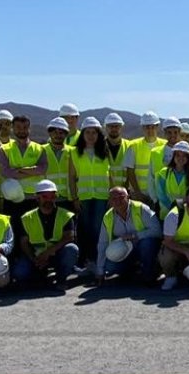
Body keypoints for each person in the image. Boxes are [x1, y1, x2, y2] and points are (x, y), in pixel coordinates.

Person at [14, 180, 78, 289]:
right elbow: (23, 243)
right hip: (36, 257)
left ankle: (61, 279)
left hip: (57, 255)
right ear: (37, 198)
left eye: (52, 197)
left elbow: (69, 237)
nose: (49, 200)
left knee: (72, 249)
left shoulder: (65, 215)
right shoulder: (27, 218)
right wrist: (35, 259)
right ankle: (39, 277)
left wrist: (47, 253)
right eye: (45, 196)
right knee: (19, 273)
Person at [69, 117, 113, 270]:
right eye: (87, 132)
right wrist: (74, 198)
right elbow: (72, 177)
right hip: (84, 197)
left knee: (97, 229)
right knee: (84, 229)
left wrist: (111, 195)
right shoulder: (75, 152)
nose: (91, 135)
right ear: (83, 134)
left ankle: (97, 260)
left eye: (94, 132)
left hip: (101, 197)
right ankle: (85, 260)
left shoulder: (104, 151)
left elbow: (110, 175)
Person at [96, 186, 161, 284]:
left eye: (121, 197)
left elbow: (157, 230)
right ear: (109, 201)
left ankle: (149, 275)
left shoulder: (141, 208)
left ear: (128, 197)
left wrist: (135, 235)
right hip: (126, 251)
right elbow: (102, 244)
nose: (118, 201)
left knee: (147, 243)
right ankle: (132, 271)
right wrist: (100, 271)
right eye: (114, 199)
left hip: (143, 247)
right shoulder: (107, 217)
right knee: (109, 265)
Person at [0, 114, 47, 226]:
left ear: (29, 129)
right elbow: (6, 172)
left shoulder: (39, 148)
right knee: (13, 230)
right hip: (12, 198)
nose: (22, 130)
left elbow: (42, 169)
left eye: (25, 127)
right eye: (18, 127)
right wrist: (32, 171)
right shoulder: (5, 149)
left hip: (33, 198)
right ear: (12, 129)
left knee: (32, 231)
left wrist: (19, 170)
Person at [124, 111, 165, 204]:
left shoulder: (165, 145)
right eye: (147, 127)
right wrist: (138, 193)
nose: (150, 130)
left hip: (159, 194)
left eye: (153, 127)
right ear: (142, 127)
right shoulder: (134, 146)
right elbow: (130, 172)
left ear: (157, 127)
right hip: (139, 195)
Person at [155, 141, 189, 215]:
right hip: (166, 213)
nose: (180, 158)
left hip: (185, 214)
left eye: (184, 156)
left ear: (188, 158)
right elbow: (161, 195)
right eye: (178, 155)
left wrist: (181, 208)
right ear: (173, 156)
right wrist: (173, 207)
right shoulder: (163, 173)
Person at [43, 117, 74, 207]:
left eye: (61, 133)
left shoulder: (72, 151)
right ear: (49, 133)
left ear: (66, 134)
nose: (58, 135)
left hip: (68, 198)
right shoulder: (41, 151)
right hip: (48, 198)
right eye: (55, 132)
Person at [102, 113, 129, 188]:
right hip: (104, 193)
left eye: (116, 126)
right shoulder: (99, 146)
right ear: (105, 127)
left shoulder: (129, 146)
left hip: (124, 192)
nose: (114, 129)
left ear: (121, 127)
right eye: (111, 126)